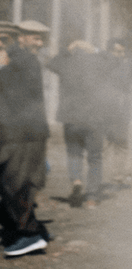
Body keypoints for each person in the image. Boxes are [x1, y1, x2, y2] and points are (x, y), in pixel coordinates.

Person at [0, 21, 52, 257]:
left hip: (23, 134)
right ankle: (21, 232)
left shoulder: (20, 61)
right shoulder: (15, 60)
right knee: (13, 183)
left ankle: (27, 236)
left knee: (16, 184)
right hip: (16, 134)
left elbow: (17, 99)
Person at [47, 41, 109, 208]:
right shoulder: (98, 63)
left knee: (74, 153)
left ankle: (76, 181)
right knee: (95, 158)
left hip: (71, 118)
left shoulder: (66, 63)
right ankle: (92, 197)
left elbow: (51, 63)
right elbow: (114, 61)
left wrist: (67, 48)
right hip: (94, 118)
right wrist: (96, 49)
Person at [101, 37, 132, 190]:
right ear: (109, 51)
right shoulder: (102, 65)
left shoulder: (126, 66)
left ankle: (117, 176)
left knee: (121, 144)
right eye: (117, 51)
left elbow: (129, 86)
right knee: (104, 145)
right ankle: (98, 176)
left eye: (123, 52)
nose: (121, 55)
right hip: (104, 111)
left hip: (122, 111)